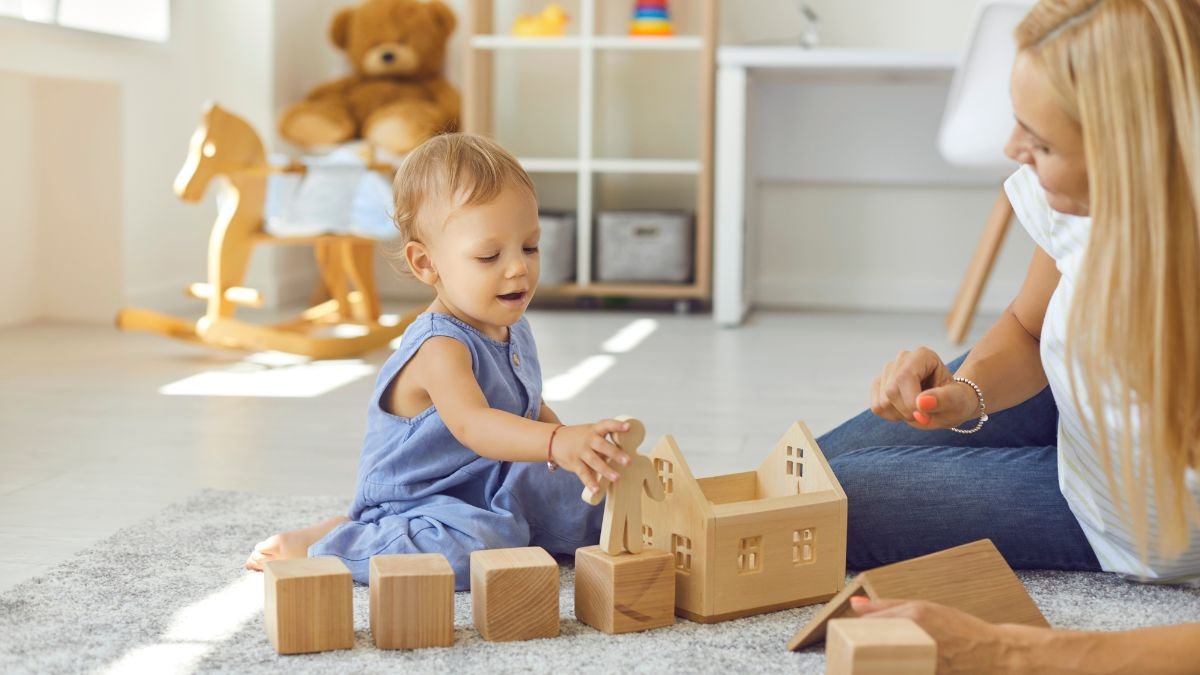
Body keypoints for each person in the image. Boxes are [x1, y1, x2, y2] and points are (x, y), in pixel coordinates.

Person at [816, 0, 1200, 670]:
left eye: (1043, 144)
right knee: (802, 480)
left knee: (829, 502)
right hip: (1080, 405)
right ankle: (580, 504)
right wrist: (967, 392)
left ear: (1135, 155)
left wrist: (1018, 651)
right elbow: (1027, 325)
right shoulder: (1077, 204)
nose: (1011, 152)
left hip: (1122, 516)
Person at [245, 133, 632, 589]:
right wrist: (556, 441)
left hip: (490, 479)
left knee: (588, 498)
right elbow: (475, 424)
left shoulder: (511, 324)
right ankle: (337, 541)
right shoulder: (439, 345)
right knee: (481, 547)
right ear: (427, 264)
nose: (518, 268)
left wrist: (572, 451)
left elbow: (527, 406)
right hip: (422, 501)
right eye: (489, 255)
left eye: (529, 247)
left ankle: (604, 518)